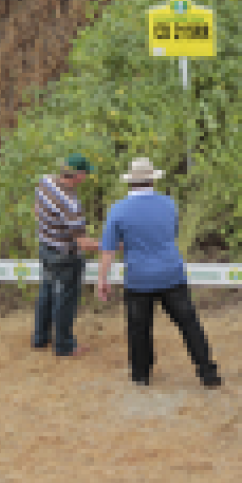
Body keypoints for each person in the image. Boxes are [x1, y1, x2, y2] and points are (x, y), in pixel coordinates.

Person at [95, 157, 222, 389]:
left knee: (139, 328)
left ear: (131, 182)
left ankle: (141, 375)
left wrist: (102, 279)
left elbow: (108, 250)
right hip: (171, 273)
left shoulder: (118, 209)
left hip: (138, 278)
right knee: (189, 324)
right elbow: (170, 235)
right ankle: (208, 372)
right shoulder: (168, 204)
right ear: (152, 179)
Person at [32, 153, 100, 358]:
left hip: (45, 248)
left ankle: (40, 337)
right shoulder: (71, 203)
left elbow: (36, 210)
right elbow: (83, 243)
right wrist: (112, 245)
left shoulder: (44, 182)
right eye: (85, 173)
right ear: (78, 175)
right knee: (66, 299)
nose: (86, 177)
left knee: (46, 292)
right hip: (65, 255)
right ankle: (64, 345)